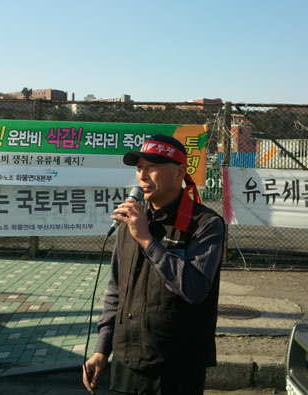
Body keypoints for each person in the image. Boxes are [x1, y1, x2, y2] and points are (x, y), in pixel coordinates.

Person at [83, 134, 224, 395]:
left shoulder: (206, 223)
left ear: (179, 172)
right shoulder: (131, 219)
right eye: (139, 168)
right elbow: (116, 290)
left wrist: (148, 240)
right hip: (126, 361)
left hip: (176, 367)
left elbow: (195, 289)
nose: (143, 175)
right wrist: (102, 349)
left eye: (152, 167)